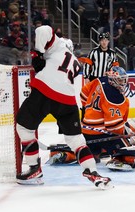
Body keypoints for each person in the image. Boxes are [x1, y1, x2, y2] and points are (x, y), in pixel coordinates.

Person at [15, 25, 111, 189]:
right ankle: (92, 171)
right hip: (67, 100)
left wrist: (37, 53)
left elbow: (43, 30)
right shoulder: (75, 62)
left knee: (24, 128)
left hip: (45, 91)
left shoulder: (58, 45)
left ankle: (34, 169)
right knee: (76, 140)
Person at [80, 66, 135, 171]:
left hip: (86, 131)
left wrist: (89, 109)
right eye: (120, 80)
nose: (123, 83)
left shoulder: (99, 80)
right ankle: (119, 158)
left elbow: (83, 93)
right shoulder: (114, 95)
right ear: (113, 79)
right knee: (133, 153)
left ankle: (92, 153)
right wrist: (128, 131)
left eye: (123, 80)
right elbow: (113, 126)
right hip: (102, 133)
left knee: (87, 147)